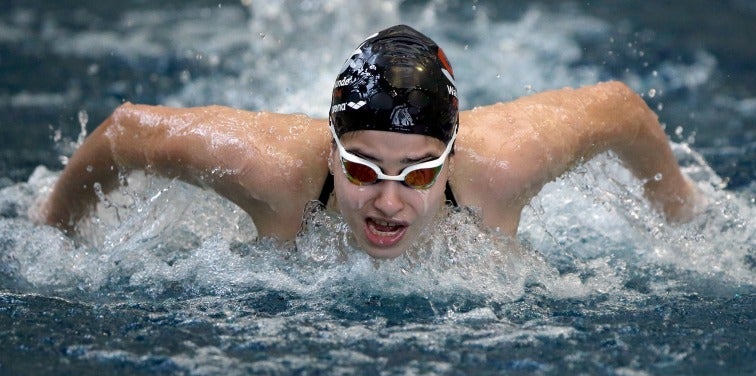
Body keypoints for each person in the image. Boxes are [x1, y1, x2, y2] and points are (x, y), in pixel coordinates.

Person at [41, 25, 701, 259]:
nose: (388, 201)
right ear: (331, 151)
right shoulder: (273, 175)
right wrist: (54, 232)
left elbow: (619, 109)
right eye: (361, 168)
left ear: (450, 157)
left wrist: (681, 215)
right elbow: (126, 132)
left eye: (417, 174)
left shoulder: (499, 169)